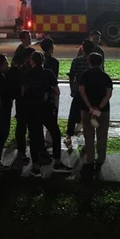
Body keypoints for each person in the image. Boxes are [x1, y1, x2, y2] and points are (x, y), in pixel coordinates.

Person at [78, 52, 113, 172]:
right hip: (103, 111)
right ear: (101, 63)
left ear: (89, 62)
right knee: (102, 135)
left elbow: (82, 91)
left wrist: (90, 107)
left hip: (87, 110)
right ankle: (101, 158)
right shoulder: (106, 77)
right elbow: (108, 95)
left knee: (89, 135)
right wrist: (99, 107)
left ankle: (90, 159)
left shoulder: (85, 75)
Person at [39, 37, 69, 171]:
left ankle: (40, 157)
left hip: (36, 102)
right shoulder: (53, 64)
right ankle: (57, 161)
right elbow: (54, 84)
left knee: (36, 129)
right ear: (51, 47)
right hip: (49, 99)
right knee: (54, 128)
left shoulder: (32, 69)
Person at [22, 51, 53, 177]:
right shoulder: (48, 73)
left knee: (34, 136)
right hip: (45, 108)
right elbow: (56, 90)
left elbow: (23, 91)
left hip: (31, 108)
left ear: (32, 61)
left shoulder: (27, 73)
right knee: (50, 132)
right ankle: (48, 157)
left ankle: (36, 166)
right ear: (43, 61)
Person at [65, 39, 95, 150]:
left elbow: (72, 76)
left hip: (78, 91)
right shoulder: (93, 61)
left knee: (73, 113)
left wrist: (72, 89)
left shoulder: (76, 61)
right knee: (91, 114)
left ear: (82, 49)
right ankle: (90, 136)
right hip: (91, 92)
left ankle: (69, 136)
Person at [6, 48, 32, 164]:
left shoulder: (32, 69)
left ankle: (33, 152)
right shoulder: (20, 71)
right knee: (21, 128)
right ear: (26, 58)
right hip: (22, 104)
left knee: (32, 129)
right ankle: (21, 152)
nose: (32, 59)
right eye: (31, 57)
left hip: (31, 104)